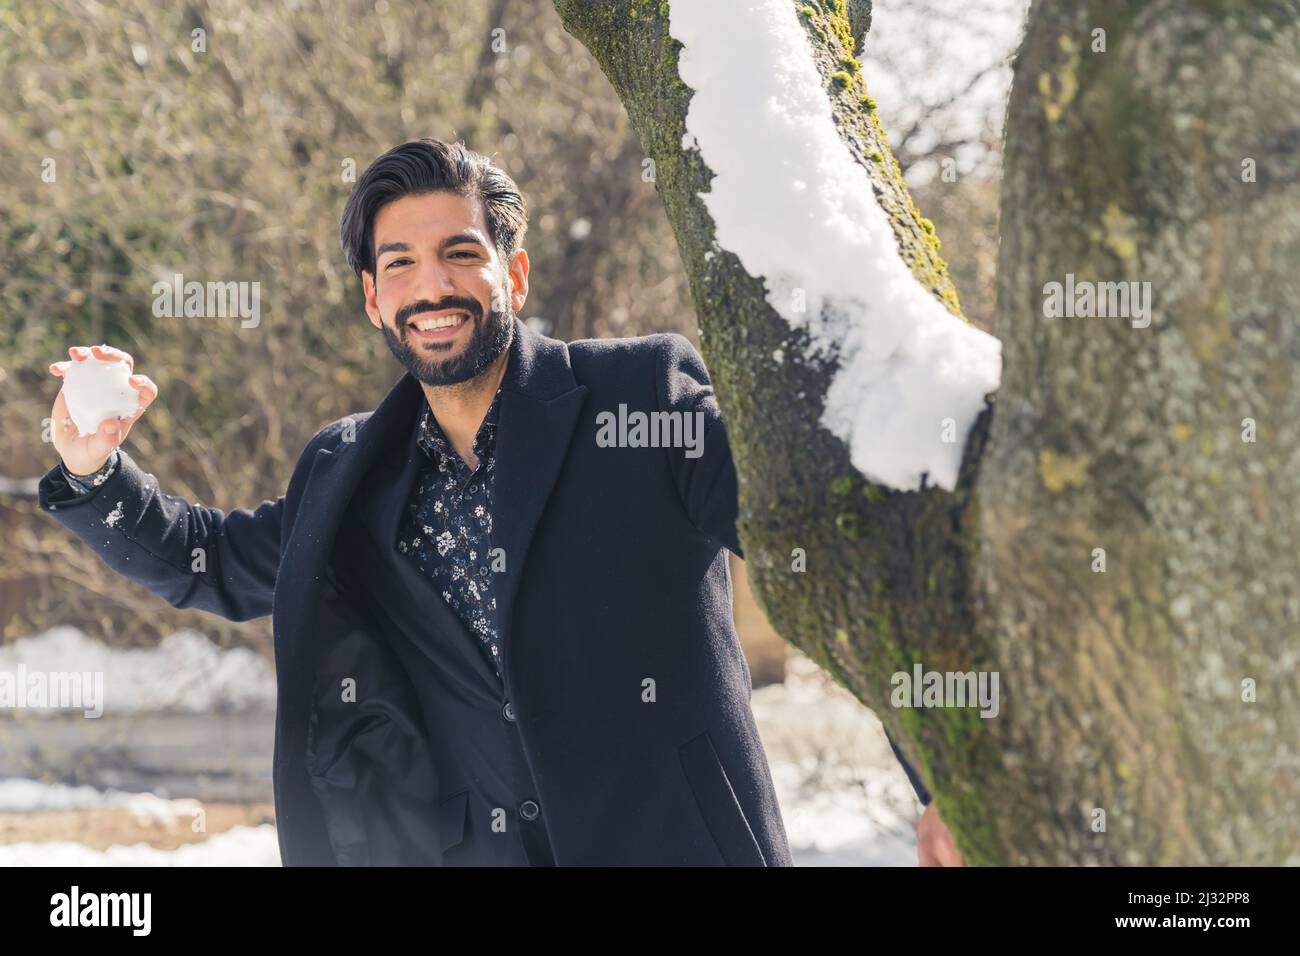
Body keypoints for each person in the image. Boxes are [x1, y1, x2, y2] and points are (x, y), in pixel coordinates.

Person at [39, 137, 963, 866]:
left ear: (513, 275)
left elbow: (833, 557)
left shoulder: (640, 398)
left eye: (458, 253)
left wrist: (944, 784)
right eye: (398, 263)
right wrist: (93, 473)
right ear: (371, 298)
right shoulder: (351, 471)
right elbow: (212, 562)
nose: (430, 286)